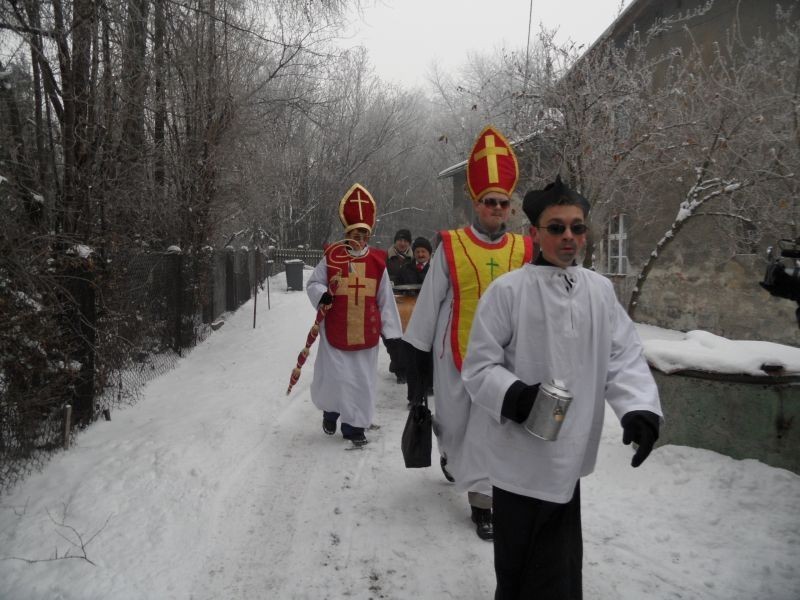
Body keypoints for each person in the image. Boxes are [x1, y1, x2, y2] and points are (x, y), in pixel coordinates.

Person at [461, 174, 663, 599]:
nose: (569, 236)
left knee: (560, 570)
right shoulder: (508, 292)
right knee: (519, 570)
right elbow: (479, 366)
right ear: (534, 233)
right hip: (519, 460)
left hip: (568, 458)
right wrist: (518, 397)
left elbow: (622, 354)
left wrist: (638, 408)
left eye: (577, 226)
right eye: (557, 227)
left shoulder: (599, 291)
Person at [403, 126, 534, 540]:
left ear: (511, 208)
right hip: (453, 352)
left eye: (503, 203)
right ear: (476, 204)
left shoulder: (524, 250)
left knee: (490, 429)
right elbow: (431, 299)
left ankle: (483, 503)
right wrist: (416, 354)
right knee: (456, 426)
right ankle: (450, 452)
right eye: (488, 202)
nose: (496, 208)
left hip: (504, 358)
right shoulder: (452, 245)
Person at [306, 183, 403, 447]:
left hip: (366, 334)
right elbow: (313, 283)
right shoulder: (332, 257)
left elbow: (385, 300)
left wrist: (393, 337)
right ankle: (331, 412)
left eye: (364, 234)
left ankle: (355, 427)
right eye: (355, 233)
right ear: (347, 232)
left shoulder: (377, 263)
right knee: (336, 380)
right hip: (336, 330)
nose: (359, 239)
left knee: (361, 383)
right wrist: (322, 295)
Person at [396, 237, 434, 407]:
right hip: (408, 319)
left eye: (423, 252)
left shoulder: (435, 271)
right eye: (417, 251)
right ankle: (413, 397)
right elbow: (396, 291)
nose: (420, 254)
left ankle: (427, 388)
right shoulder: (405, 269)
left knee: (427, 359)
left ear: (429, 254)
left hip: (429, 319)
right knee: (411, 360)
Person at [385, 229, 414, 383]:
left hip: (409, 302)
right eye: (400, 240)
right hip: (391, 301)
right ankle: (396, 361)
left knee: (406, 336)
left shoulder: (414, 257)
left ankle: (401, 368)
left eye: (405, 240)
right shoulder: (386, 257)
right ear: (395, 241)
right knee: (391, 337)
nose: (402, 243)